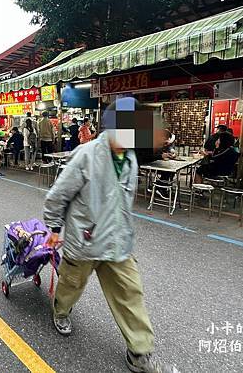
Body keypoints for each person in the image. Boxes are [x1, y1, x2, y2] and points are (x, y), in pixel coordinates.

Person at [44, 97, 179, 373]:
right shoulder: (86, 155)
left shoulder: (129, 157)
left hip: (118, 243)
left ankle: (139, 352)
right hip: (84, 241)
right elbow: (57, 196)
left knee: (130, 293)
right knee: (71, 285)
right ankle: (61, 311)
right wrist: (55, 229)